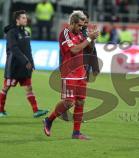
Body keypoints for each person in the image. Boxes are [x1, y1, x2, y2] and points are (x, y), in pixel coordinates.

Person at [43, 11, 98, 140]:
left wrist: (92, 39)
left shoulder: (80, 33)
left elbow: (89, 49)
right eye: (79, 25)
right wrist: (89, 38)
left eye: (82, 26)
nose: (80, 28)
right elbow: (74, 50)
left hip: (81, 72)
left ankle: (76, 133)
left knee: (80, 101)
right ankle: (49, 120)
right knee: (69, 103)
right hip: (69, 73)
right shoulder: (65, 33)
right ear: (72, 23)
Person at [0, 10, 49, 118]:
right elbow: (14, 49)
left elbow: (28, 50)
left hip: (25, 66)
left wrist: (31, 62)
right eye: (23, 18)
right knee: (6, 87)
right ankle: (1, 110)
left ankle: (36, 110)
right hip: (13, 66)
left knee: (28, 87)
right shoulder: (11, 32)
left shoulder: (26, 32)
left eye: (25, 18)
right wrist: (25, 61)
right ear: (17, 20)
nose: (25, 19)